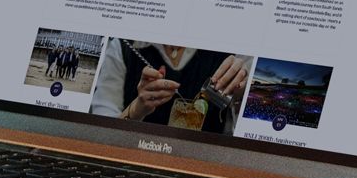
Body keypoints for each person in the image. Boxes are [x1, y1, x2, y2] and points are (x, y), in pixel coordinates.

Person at [89, 42, 247, 133]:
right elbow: (101, 135)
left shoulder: (235, 49)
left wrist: (243, 95)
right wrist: (137, 109)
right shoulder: (124, 46)